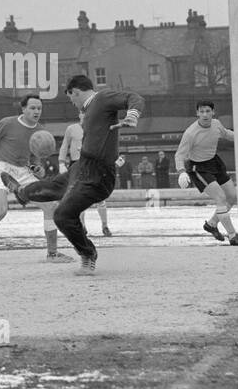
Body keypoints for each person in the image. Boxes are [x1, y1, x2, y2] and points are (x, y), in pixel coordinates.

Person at [10, 75, 144, 274]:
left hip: (98, 174)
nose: (72, 103)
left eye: (71, 98)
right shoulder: (90, 110)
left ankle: (88, 255)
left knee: (63, 215)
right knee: (50, 187)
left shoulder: (102, 98)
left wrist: (132, 114)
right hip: (81, 166)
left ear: (75, 91)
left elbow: (135, 97)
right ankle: (21, 191)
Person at [0, 94, 66, 265]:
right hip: (1, 167)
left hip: (23, 172)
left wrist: (38, 167)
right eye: (32, 108)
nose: (36, 111)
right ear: (23, 109)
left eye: (39, 108)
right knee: (0, 211)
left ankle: (52, 254)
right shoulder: (7, 123)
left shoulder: (40, 130)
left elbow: (35, 158)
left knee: (51, 205)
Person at [174, 101, 238, 245]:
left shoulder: (216, 124)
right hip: (199, 168)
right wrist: (181, 172)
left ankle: (211, 224)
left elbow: (226, 134)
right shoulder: (190, 133)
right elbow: (179, 155)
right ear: (197, 113)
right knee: (221, 198)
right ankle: (233, 235)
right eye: (201, 111)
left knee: (232, 197)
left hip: (214, 162)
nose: (205, 114)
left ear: (213, 112)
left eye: (208, 111)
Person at [59, 120, 111, 237]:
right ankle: (82, 226)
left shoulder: (99, 127)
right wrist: (61, 162)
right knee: (78, 197)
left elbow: (107, 146)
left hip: (94, 164)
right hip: (77, 164)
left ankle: (105, 225)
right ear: (79, 114)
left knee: (100, 197)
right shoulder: (71, 128)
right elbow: (64, 145)